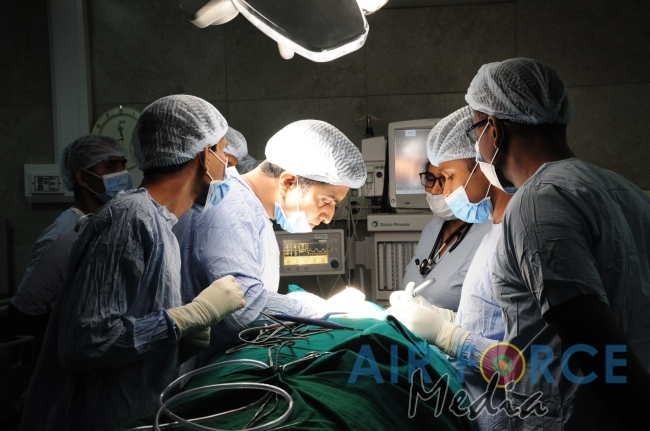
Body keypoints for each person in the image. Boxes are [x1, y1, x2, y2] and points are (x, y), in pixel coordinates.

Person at [19, 95, 246, 431]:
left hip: (135, 411)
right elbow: (87, 344)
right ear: (204, 154)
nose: (227, 167)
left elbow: (128, 330)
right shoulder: (130, 218)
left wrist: (177, 344)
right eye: (223, 154)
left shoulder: (160, 223)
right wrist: (185, 318)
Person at [470, 58, 650, 430]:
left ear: (494, 129)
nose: (477, 147)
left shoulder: (538, 201)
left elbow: (594, 344)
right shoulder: (626, 191)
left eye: (476, 129)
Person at [173, 119, 366, 370]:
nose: (329, 216)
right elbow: (244, 310)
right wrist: (322, 309)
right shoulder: (230, 208)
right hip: (196, 373)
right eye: (326, 201)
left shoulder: (251, 209)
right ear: (288, 182)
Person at [390, 105, 514, 431]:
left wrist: (448, 336)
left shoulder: (519, 233)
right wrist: (437, 316)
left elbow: (524, 365)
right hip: (468, 402)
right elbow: (486, 321)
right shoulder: (495, 231)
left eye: (447, 177)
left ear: (483, 160)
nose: (441, 191)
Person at [8, 135, 131, 337]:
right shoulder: (64, 238)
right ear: (83, 178)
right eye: (111, 166)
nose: (122, 173)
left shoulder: (112, 224)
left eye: (123, 164)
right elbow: (25, 311)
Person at [401, 115, 492, 311]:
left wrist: (442, 324)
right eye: (430, 179)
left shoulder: (490, 231)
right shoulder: (432, 228)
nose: (437, 190)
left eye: (447, 177)